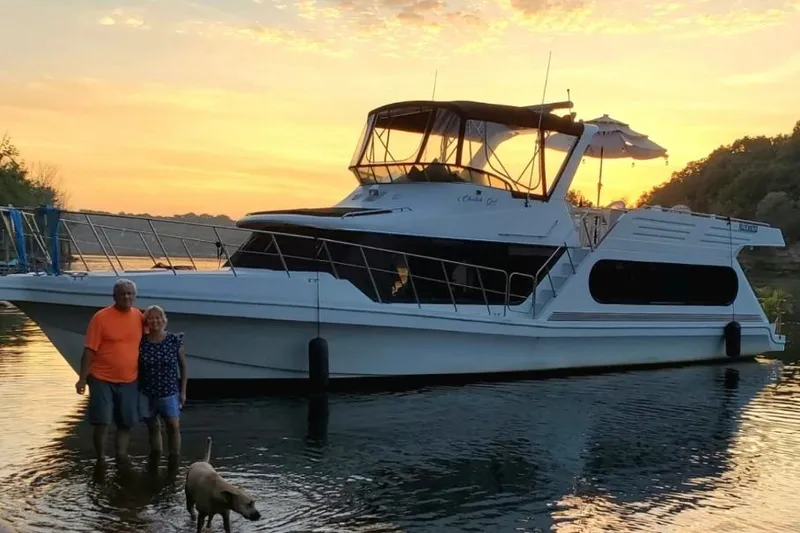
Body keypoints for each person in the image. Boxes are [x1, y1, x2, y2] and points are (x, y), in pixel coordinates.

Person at [75, 278, 143, 468]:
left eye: (130, 293)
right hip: (101, 378)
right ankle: (101, 459)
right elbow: (89, 350)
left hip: (130, 379)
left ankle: (121, 456)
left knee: (126, 422)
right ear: (114, 296)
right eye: (123, 293)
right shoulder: (101, 317)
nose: (126, 297)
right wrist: (82, 379)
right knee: (102, 421)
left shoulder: (139, 316)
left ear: (135, 296)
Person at [138, 304, 188, 467]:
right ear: (146, 322)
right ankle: (156, 459)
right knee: (153, 427)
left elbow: (183, 366)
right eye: (151, 318)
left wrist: (183, 392)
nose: (155, 321)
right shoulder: (141, 342)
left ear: (164, 320)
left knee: (173, 427)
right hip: (147, 392)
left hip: (169, 392)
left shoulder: (174, 340)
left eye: (158, 317)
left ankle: (174, 460)